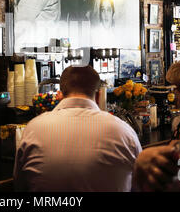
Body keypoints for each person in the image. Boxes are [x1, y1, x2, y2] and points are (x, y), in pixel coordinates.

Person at [13, 65, 142, 192]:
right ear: (98, 96)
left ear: (59, 95)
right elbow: (141, 184)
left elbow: (19, 185)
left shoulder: (33, 128)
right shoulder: (123, 131)